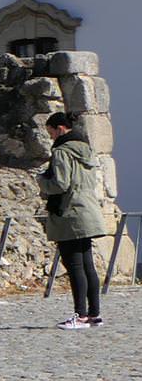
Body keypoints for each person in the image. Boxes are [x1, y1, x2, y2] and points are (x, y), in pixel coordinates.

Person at [40, 110, 113, 328]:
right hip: (87, 211)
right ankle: (94, 314)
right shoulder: (86, 150)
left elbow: (60, 184)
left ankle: (80, 315)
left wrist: (41, 181)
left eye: (51, 132)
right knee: (87, 264)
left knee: (74, 266)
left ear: (60, 129)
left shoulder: (62, 152)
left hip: (69, 214)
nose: (51, 137)